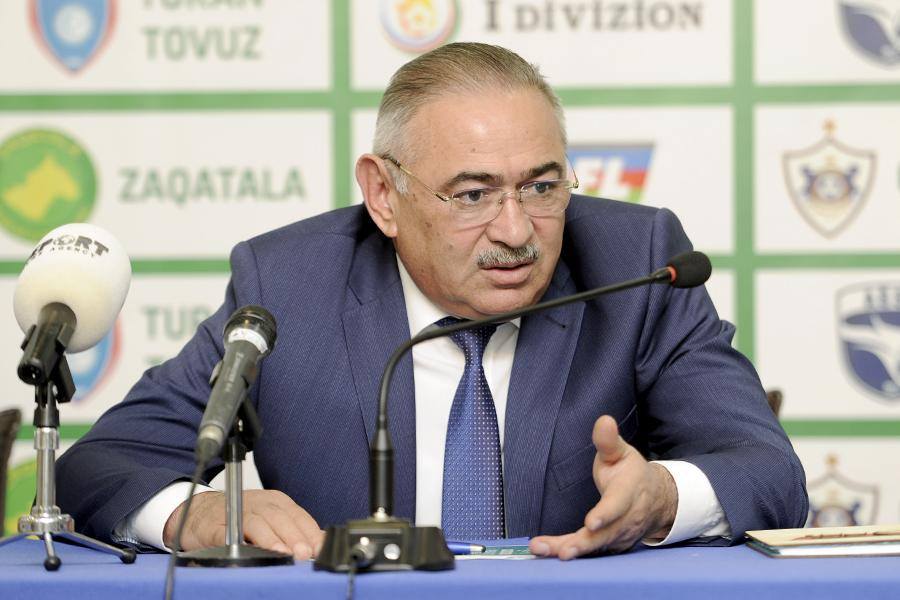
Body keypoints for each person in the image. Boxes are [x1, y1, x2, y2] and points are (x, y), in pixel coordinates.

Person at [56, 43, 807, 561]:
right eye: (473, 194)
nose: (516, 231)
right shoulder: (288, 284)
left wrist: (663, 497)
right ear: (384, 194)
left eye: (542, 187)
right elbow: (101, 466)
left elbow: (769, 474)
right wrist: (193, 512)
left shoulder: (638, 266)